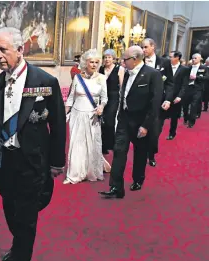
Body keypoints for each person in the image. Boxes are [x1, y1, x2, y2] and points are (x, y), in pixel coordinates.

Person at [0, 27, 66, 261]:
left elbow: (57, 125)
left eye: (4, 49)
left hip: (32, 161)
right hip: (4, 161)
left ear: (21, 50)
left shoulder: (45, 81)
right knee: (10, 210)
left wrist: (57, 162)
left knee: (26, 216)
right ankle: (18, 245)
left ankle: (21, 258)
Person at [99, 46, 163, 198]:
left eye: (125, 59)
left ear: (135, 60)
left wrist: (146, 126)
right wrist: (120, 116)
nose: (122, 62)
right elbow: (124, 96)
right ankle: (116, 187)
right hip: (124, 120)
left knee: (140, 153)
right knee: (119, 151)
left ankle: (138, 179)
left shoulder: (152, 75)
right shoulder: (127, 73)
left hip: (141, 122)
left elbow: (155, 103)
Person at [64, 49, 108, 184]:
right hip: (77, 114)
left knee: (91, 144)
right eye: (91, 62)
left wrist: (101, 107)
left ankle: (91, 171)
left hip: (92, 116)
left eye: (96, 62)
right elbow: (71, 98)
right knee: (76, 145)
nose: (94, 65)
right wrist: (64, 114)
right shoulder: (77, 77)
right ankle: (74, 174)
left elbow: (104, 98)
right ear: (85, 63)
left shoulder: (101, 78)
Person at [142, 38, 174, 167]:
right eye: (142, 47)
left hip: (159, 104)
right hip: (142, 103)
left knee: (154, 132)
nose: (143, 50)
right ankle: (142, 156)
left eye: (145, 47)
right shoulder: (139, 61)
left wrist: (168, 99)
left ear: (153, 47)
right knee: (141, 131)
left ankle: (151, 154)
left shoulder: (164, 62)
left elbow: (170, 83)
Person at [99, 49, 125, 154]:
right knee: (101, 121)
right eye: (105, 57)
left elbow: (122, 86)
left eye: (109, 57)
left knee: (110, 120)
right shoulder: (100, 69)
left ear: (114, 59)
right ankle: (103, 145)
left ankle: (111, 143)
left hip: (113, 97)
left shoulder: (120, 69)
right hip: (101, 97)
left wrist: (123, 100)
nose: (107, 59)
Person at [166, 51, 189, 140]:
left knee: (174, 116)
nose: (169, 59)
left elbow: (184, 84)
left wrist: (180, 96)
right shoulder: (166, 67)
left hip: (176, 96)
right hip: (166, 94)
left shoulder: (184, 69)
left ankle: (172, 133)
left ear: (177, 58)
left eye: (171, 57)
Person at [182, 53, 209, 127]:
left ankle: (191, 122)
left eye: (195, 58)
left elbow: (207, 77)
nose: (193, 59)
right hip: (188, 88)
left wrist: (196, 77)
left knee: (194, 105)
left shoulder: (204, 68)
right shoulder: (188, 68)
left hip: (197, 89)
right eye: (193, 58)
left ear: (200, 59)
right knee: (185, 105)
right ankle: (185, 117)